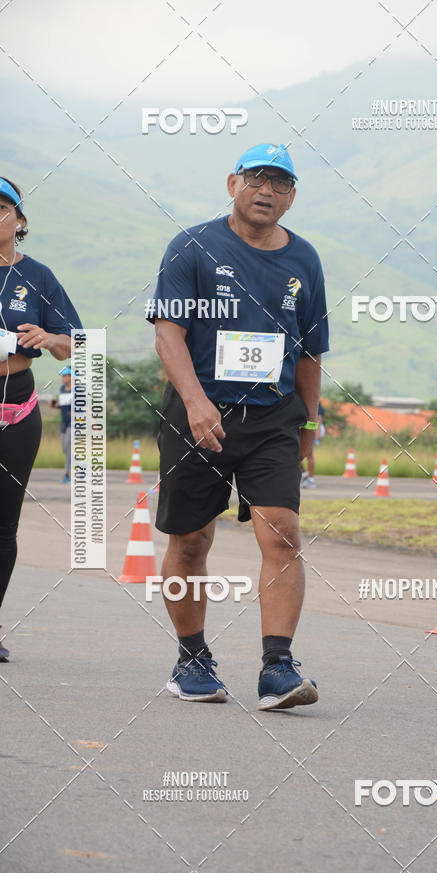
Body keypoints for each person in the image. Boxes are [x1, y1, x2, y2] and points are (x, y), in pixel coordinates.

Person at [147, 143, 328, 709]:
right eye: (256, 179)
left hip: (273, 416)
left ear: (292, 196)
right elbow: (168, 334)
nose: (266, 190)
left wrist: (310, 424)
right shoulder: (193, 246)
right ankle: (192, 660)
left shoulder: (305, 260)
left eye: (280, 183)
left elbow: (310, 353)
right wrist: (197, 403)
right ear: (233, 183)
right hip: (196, 411)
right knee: (192, 538)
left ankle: (278, 667)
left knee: (283, 532)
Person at [0, 177, 81, 661]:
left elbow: (79, 344)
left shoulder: (38, 277)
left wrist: (48, 338)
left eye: (2, 207)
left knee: (3, 526)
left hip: (19, 408)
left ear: (20, 221)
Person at [51, 366, 73, 482]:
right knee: (64, 448)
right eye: (62, 376)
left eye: (65, 376)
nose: (63, 378)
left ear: (71, 377)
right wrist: (55, 406)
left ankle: (67, 474)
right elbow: (63, 405)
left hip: (75, 423)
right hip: (64, 423)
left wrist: (93, 423)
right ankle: (82, 465)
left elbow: (86, 407)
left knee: (69, 448)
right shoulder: (62, 389)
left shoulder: (78, 390)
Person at [301, 399, 324, 488]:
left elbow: (319, 415)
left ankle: (310, 479)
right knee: (295, 453)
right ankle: (304, 474)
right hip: (300, 426)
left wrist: (318, 430)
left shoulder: (314, 397)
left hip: (310, 427)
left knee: (309, 454)